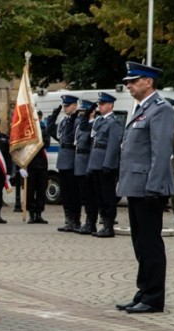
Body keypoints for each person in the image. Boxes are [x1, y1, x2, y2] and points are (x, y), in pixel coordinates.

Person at [115, 61, 174, 314]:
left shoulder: (161, 109)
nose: (129, 85)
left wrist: (154, 187)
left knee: (150, 244)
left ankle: (153, 298)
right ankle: (143, 291)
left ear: (148, 82)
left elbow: (160, 152)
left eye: (133, 81)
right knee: (140, 243)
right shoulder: (141, 108)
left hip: (149, 188)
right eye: (128, 82)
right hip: (136, 186)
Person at [87, 93, 122, 237]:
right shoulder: (99, 121)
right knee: (99, 195)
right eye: (99, 104)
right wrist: (91, 165)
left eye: (102, 104)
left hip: (106, 164)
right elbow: (94, 144)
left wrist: (108, 164)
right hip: (96, 163)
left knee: (108, 196)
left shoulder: (114, 122)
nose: (99, 107)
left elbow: (113, 145)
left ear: (110, 105)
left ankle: (109, 226)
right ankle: (104, 224)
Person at [48, 94, 81, 232]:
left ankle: (75, 221)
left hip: (72, 158)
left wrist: (73, 118)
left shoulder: (78, 121)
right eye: (64, 106)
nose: (65, 108)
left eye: (67, 106)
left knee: (73, 192)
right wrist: (53, 116)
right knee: (65, 193)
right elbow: (52, 132)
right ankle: (68, 220)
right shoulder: (64, 121)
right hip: (63, 158)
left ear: (75, 106)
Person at [74, 100, 99, 235]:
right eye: (82, 112)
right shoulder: (83, 125)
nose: (83, 114)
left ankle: (91, 222)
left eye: (85, 111)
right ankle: (87, 222)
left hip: (88, 162)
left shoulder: (95, 124)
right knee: (84, 196)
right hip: (80, 163)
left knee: (90, 196)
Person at [26, 110, 51, 224]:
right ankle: (31, 214)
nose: (38, 119)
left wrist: (36, 141)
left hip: (42, 164)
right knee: (30, 191)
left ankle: (39, 213)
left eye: (39, 117)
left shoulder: (44, 130)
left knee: (41, 190)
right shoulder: (28, 131)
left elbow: (46, 143)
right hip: (31, 164)